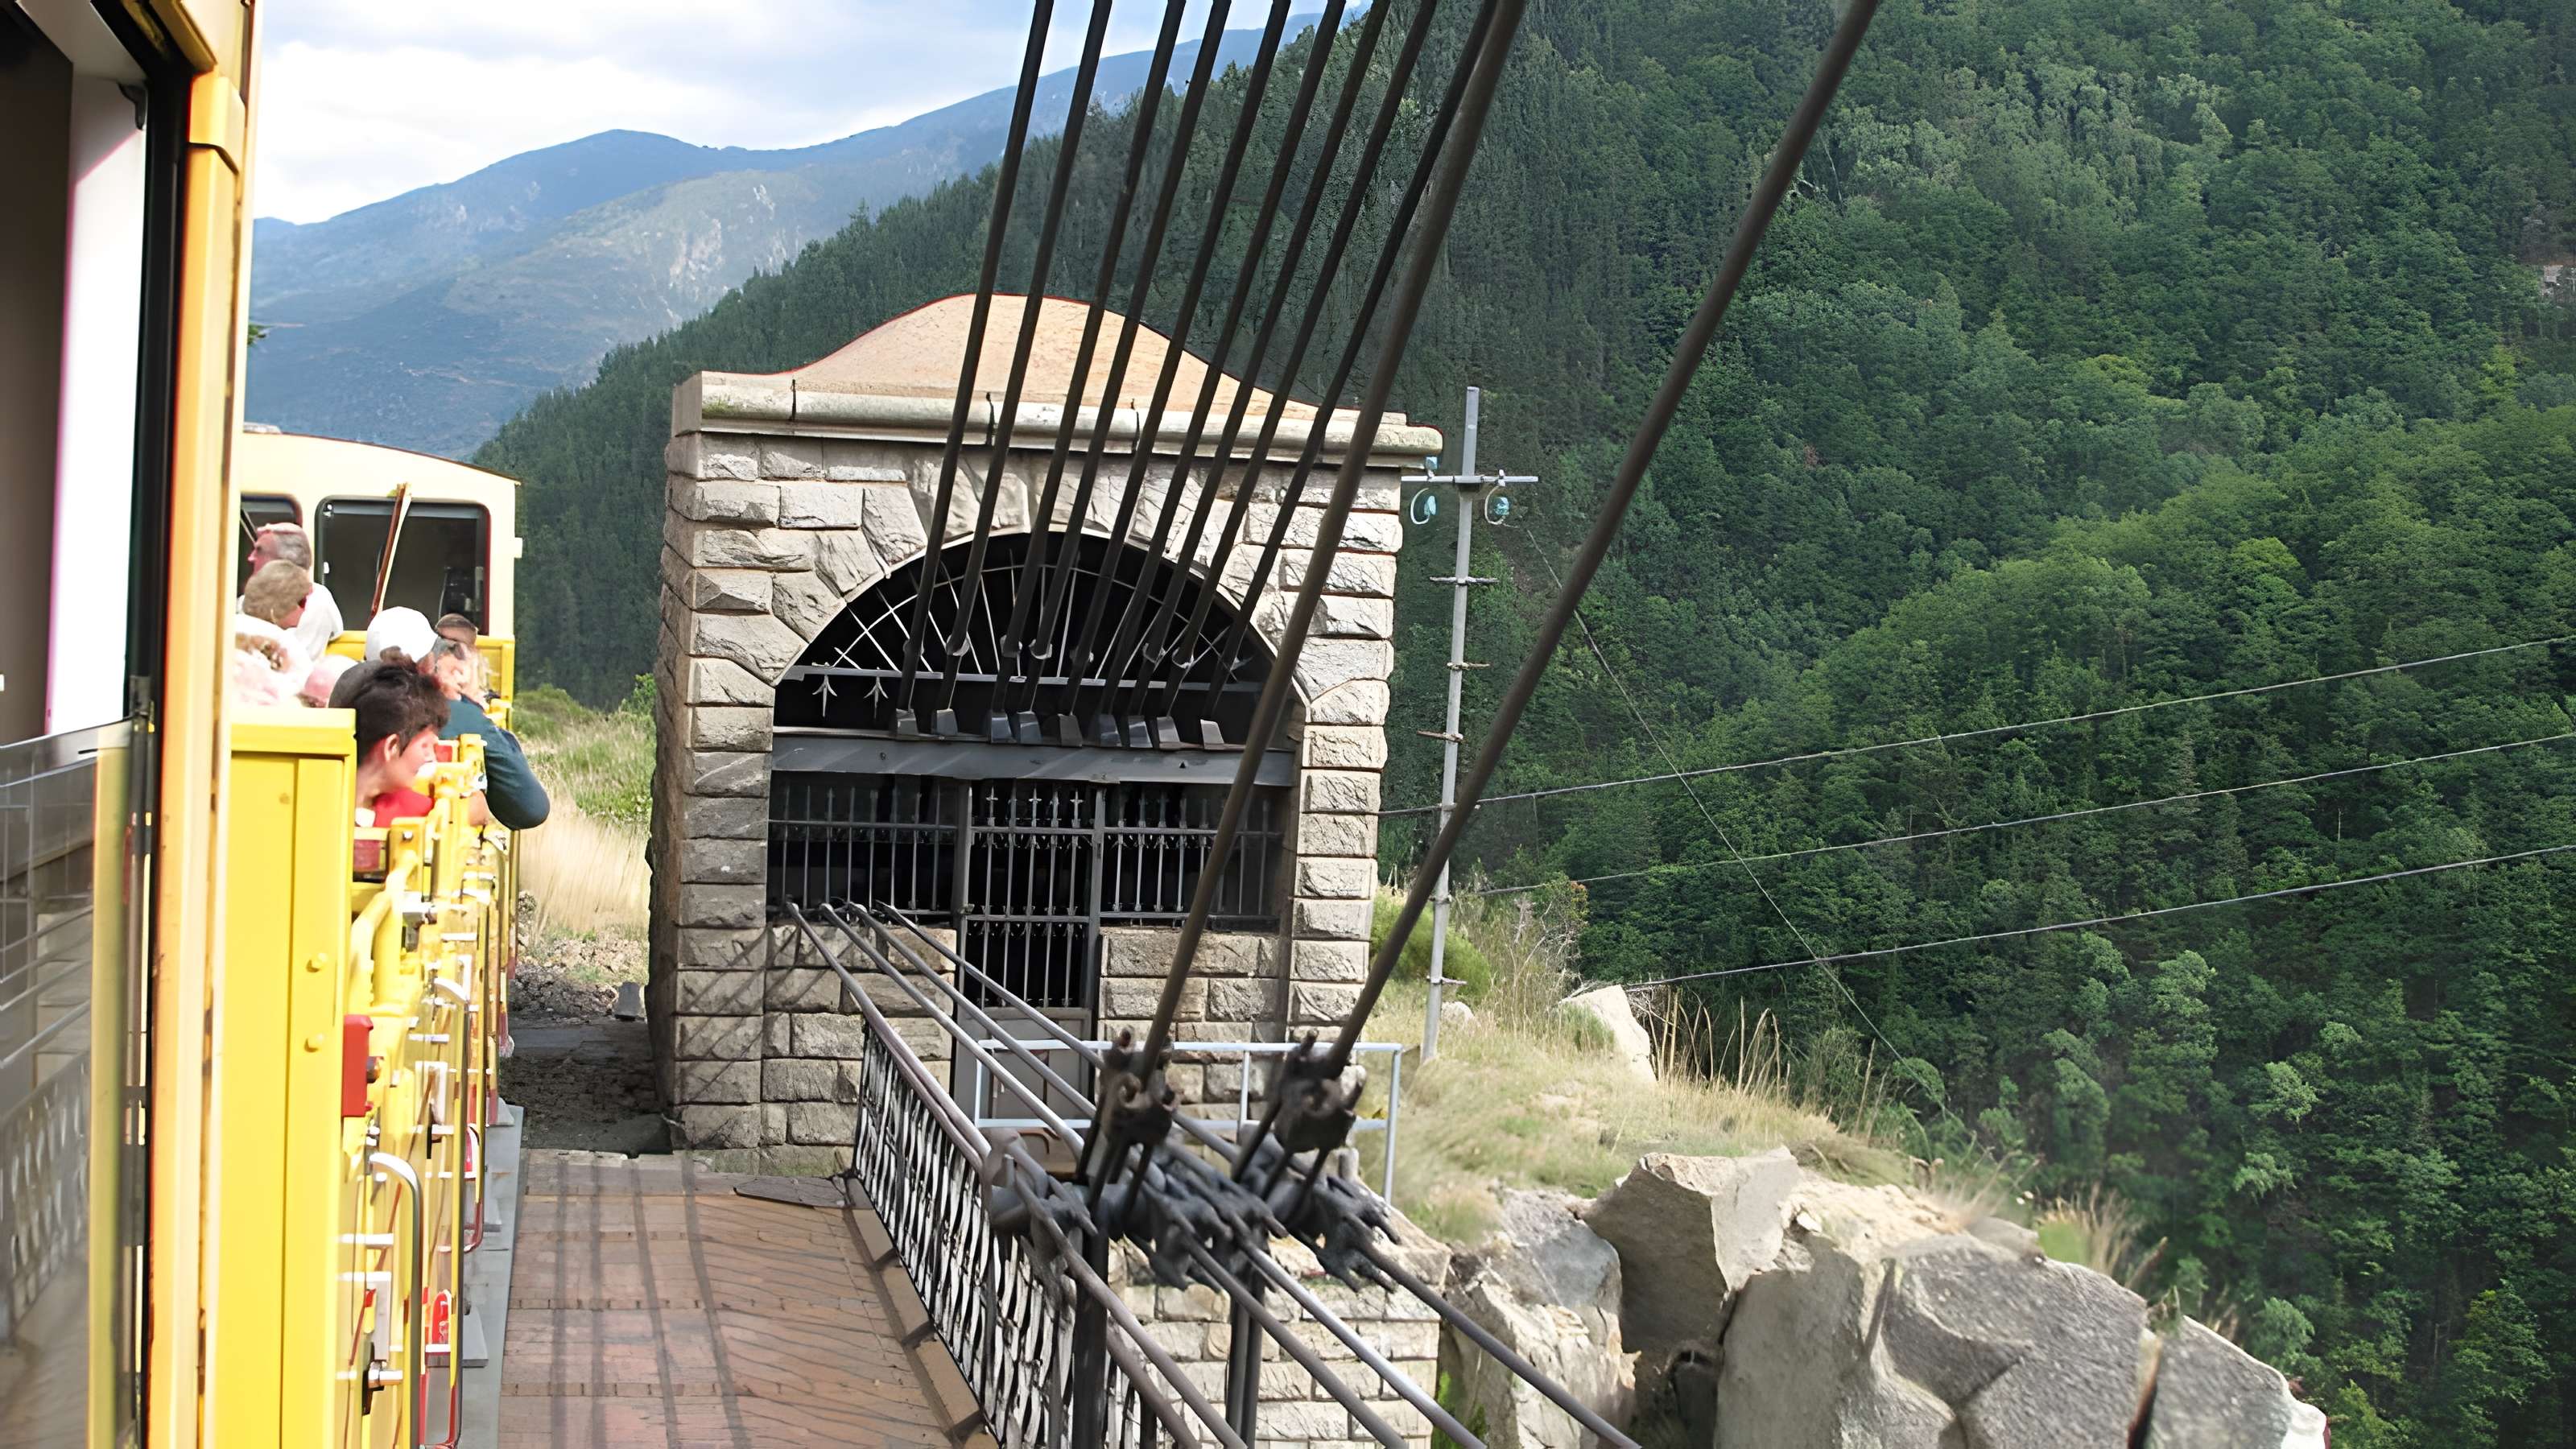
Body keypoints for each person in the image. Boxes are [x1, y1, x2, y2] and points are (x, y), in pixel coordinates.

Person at [337, 608, 551, 831]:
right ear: (428, 663)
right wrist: (472, 706)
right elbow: (531, 809)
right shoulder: (452, 713)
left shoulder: (345, 698)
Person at [349, 667, 447, 827]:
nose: (430, 757)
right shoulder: (410, 817)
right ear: (392, 746)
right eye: (425, 746)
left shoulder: (418, 810)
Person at [242, 523, 342, 659]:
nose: (251, 558)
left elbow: (291, 662)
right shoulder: (245, 599)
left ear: (286, 560)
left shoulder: (314, 599)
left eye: (259, 551)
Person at [229, 561, 314, 706]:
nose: (306, 609)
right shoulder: (290, 649)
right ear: (277, 609)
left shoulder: (220, 627)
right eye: (303, 602)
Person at [434, 613, 494, 704]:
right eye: (439, 638)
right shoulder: (428, 663)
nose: (442, 646)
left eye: (452, 645)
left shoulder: (468, 668)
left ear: (471, 650)